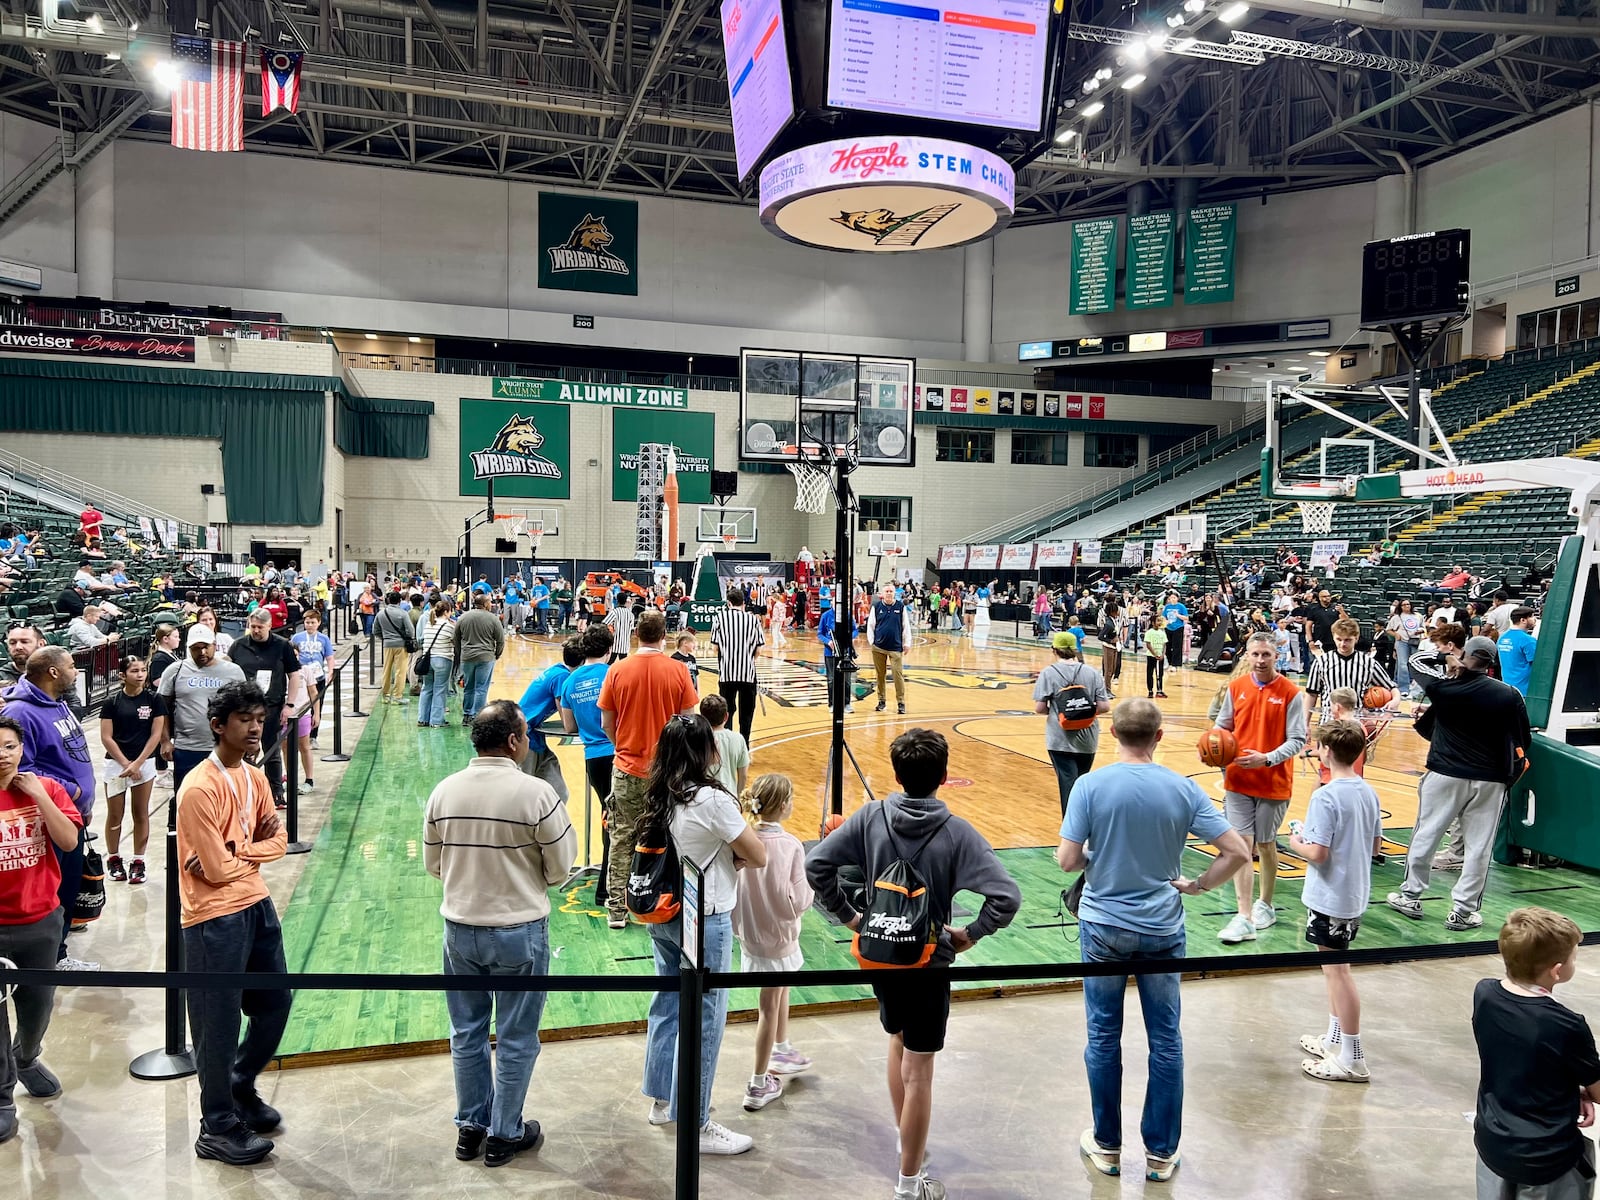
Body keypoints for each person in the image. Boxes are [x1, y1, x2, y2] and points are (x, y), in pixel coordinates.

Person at [807, 728, 1021, 1200]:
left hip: (880, 954)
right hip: (929, 961)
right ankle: (908, 1182)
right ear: (944, 777)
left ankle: (911, 1146)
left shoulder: (869, 817)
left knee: (896, 1041)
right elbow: (1006, 897)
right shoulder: (958, 832)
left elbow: (816, 865)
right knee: (919, 1069)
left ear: (897, 773)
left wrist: (850, 917)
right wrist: (970, 934)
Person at [1059, 698, 1249, 1182]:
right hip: (1162, 928)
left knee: (1103, 1036)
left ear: (1112, 733)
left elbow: (1067, 860)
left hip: (1102, 926)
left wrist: (1097, 857)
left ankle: (1106, 1146)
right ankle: (1161, 1154)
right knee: (1166, 1039)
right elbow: (1237, 851)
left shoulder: (1089, 785)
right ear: (1159, 736)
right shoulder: (1181, 789)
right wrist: (1200, 885)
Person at [423, 700, 577, 1168]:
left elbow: (434, 864)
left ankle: (471, 1127)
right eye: (525, 734)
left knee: (466, 1032)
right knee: (515, 1035)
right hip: (519, 931)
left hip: (460, 930)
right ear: (513, 741)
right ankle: (506, 1133)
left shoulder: (444, 791)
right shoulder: (536, 794)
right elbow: (562, 868)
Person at [638, 713, 767, 1155]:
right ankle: (696, 1121)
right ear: (708, 752)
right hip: (705, 916)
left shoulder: (658, 793)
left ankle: (661, 1100)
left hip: (666, 913)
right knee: (707, 1019)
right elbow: (759, 854)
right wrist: (737, 858)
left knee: (668, 1005)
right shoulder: (711, 800)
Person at [176, 681, 291, 1166]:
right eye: (244, 720)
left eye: (260, 720)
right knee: (216, 1025)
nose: (254, 728)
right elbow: (214, 875)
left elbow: (278, 840)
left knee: (274, 1004)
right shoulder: (199, 788)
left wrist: (237, 851)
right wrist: (239, 858)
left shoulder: (255, 776)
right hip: (211, 917)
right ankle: (217, 1125)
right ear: (217, 725)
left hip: (256, 904)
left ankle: (240, 1083)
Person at [1387, 636, 1531, 931]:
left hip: (1445, 773)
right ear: (1492, 663)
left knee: (1426, 834)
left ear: (1463, 654)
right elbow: (1523, 740)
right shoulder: (1510, 694)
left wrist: (1445, 659)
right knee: (1479, 848)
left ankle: (1410, 896)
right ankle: (1462, 913)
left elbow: (1415, 660)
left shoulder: (1444, 687)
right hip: (1490, 780)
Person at [1472, 907, 1600, 1200]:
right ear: (1557, 971)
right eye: (1574, 958)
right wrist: (1584, 1089)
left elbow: (1521, 1058)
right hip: (1547, 1159)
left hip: (1494, 1145)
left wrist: (1572, 1090)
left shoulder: (1485, 994)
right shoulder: (1567, 1024)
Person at [0, 713, 85, 1145]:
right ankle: (1, 1098)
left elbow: (69, 841)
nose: (2, 755)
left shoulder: (45, 787)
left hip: (40, 918)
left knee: (37, 1007)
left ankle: (28, 1057)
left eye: (10, 746)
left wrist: (38, 795)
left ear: (22, 749)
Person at [1288, 720, 1383, 1084]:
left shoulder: (1325, 795)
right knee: (1333, 970)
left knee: (1338, 973)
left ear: (1326, 751)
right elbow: (1375, 846)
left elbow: (1318, 853)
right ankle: (1334, 1036)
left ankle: (1352, 1057)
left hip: (1331, 896)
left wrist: (1296, 840)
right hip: (1354, 893)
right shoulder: (1368, 791)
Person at [597, 611, 698, 930]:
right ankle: (663, 901)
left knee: (622, 837)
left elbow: (606, 724)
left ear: (636, 634)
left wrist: (624, 745)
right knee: (672, 835)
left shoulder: (617, 670)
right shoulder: (678, 670)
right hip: (668, 773)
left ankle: (617, 910)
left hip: (627, 769)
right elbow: (688, 723)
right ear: (664, 636)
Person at [2, 646, 98, 969]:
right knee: (54, 892)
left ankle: (60, 949)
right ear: (53, 672)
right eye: (71, 666)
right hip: (47, 817)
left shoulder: (57, 704)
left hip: (71, 813)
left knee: (70, 887)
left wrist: (83, 801)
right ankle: (54, 957)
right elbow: (21, 769)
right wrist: (72, 790)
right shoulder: (20, 713)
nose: (76, 671)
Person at [1214, 632, 1309, 945]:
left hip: (1273, 780)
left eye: (1266, 655)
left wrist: (1266, 759)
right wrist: (1217, 746)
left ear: (1276, 656)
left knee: (1266, 844)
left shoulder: (1291, 693)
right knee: (1242, 846)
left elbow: (1297, 740)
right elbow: (1223, 725)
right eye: (1255, 654)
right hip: (1238, 779)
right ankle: (1244, 916)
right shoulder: (1236, 687)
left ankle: (1265, 904)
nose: (1260, 660)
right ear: (1247, 655)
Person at [734, 773, 814, 1112]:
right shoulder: (792, 845)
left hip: (750, 934)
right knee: (769, 1006)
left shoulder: (743, 840)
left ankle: (781, 1048)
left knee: (781, 991)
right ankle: (757, 1082)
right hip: (779, 935)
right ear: (783, 806)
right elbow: (800, 897)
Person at [559, 626, 616, 906]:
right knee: (619, 823)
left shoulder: (570, 681)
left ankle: (607, 886)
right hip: (617, 754)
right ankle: (607, 888)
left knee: (609, 817)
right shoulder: (611, 674)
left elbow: (569, 726)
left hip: (593, 757)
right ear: (609, 651)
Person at [227, 609, 306, 809]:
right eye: (252, 627)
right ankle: (246, 791)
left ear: (270, 626)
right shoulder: (238, 646)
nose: (255, 631)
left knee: (271, 749)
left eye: (260, 627)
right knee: (244, 750)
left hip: (272, 706)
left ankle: (276, 791)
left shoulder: (282, 646)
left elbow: (294, 675)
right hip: (244, 707)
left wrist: (289, 704)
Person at [99, 656, 165, 885]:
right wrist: (127, 764)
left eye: (143, 670)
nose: (140, 674)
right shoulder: (112, 702)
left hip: (144, 764)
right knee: (115, 814)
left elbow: (156, 735)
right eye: (134, 670)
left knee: (141, 813)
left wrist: (138, 763)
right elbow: (106, 737)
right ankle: (114, 858)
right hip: (116, 765)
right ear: (122, 675)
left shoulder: (155, 700)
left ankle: (138, 861)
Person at [1032, 631, 1111, 816]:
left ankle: (1072, 838)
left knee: (1068, 786)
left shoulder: (1049, 673)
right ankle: (1086, 832)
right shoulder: (1092, 672)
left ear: (1055, 650)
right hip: (1087, 739)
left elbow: (1040, 708)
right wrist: (1083, 711)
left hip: (1059, 738)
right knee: (1082, 786)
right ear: (1075, 649)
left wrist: (1061, 711)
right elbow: (1104, 706)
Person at [159, 625, 247, 790]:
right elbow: (161, 709)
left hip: (225, 747)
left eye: (206, 647)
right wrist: (164, 741)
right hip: (186, 748)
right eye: (196, 648)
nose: (202, 652)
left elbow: (244, 710)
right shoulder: (174, 671)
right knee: (187, 797)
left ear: (214, 644)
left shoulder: (233, 671)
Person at [515, 637, 582, 798]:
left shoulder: (556, 670)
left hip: (535, 735)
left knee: (559, 791)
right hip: (523, 733)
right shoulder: (562, 677)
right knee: (525, 788)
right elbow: (565, 715)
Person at [1305, 617, 1395, 721]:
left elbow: (1392, 688)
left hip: (1356, 724)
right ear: (1333, 637)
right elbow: (1311, 694)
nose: (1343, 644)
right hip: (1329, 722)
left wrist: (1395, 700)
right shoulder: (1321, 662)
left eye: (1348, 640)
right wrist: (1305, 724)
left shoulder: (1369, 662)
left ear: (1356, 638)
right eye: (1339, 639)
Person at [711, 586, 765, 742]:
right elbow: (759, 649)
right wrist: (749, 659)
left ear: (729, 603)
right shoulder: (753, 620)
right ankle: (744, 745)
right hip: (748, 674)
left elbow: (715, 648)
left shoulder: (720, 618)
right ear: (743, 602)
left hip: (727, 673)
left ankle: (727, 745)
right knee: (746, 713)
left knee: (726, 711)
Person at [456, 593, 507, 723]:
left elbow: (455, 638)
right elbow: (500, 640)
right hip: (486, 657)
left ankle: (467, 715)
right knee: (481, 688)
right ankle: (478, 717)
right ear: (485, 604)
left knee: (469, 687)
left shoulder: (463, 617)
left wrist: (460, 653)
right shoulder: (493, 619)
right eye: (489, 602)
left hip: (467, 657)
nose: (491, 604)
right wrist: (497, 654)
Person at [416, 597, 458, 729]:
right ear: (446, 612)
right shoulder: (448, 626)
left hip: (427, 660)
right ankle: (436, 720)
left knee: (426, 688)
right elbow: (455, 641)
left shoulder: (429, 624)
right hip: (443, 659)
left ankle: (422, 718)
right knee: (440, 689)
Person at [869, 582, 908, 716]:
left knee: (898, 675)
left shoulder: (900, 606)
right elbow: (871, 626)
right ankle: (881, 701)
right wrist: (872, 642)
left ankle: (901, 703)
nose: (889, 594)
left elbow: (905, 626)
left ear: (894, 593)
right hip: (878, 647)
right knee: (880, 675)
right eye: (887, 591)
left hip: (895, 647)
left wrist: (906, 642)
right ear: (882, 594)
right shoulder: (876, 607)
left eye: (891, 591)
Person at [700, 693, 749, 798]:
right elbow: (743, 776)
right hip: (729, 799)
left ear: (702, 717)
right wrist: (738, 798)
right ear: (726, 716)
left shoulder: (697, 738)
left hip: (704, 800)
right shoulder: (738, 739)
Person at [375, 590, 417, 705]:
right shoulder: (403, 613)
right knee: (400, 671)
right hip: (401, 645)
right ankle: (397, 696)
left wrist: (385, 638)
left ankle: (385, 695)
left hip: (387, 645)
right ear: (400, 601)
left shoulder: (381, 614)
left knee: (386, 670)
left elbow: (375, 630)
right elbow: (410, 630)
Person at [818, 593, 853, 714]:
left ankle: (847, 703)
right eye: (835, 603)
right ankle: (832, 703)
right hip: (830, 652)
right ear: (832, 603)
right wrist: (828, 641)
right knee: (831, 679)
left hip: (845, 653)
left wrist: (848, 638)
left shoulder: (848, 615)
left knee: (847, 679)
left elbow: (854, 630)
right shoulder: (825, 616)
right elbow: (820, 633)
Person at [1497, 607, 1539, 696]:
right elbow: (1537, 664)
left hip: (1507, 688)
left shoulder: (1502, 638)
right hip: (1525, 690)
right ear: (1523, 620)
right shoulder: (1528, 640)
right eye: (1531, 616)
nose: (1534, 619)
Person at [0, 624, 42, 691]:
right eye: (12, 643)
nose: (18, 647)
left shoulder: (53, 673)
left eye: (24, 642)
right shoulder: (2, 676)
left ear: (41, 644)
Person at [1143, 622, 1168, 698]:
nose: (1159, 622)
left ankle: (1159, 690)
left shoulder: (1162, 632)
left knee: (1160, 674)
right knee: (1150, 673)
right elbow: (1148, 644)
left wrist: (1163, 654)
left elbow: (1164, 645)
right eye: (1157, 621)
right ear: (1153, 622)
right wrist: (1154, 654)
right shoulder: (1149, 632)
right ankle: (1150, 691)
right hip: (1151, 656)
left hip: (1160, 657)